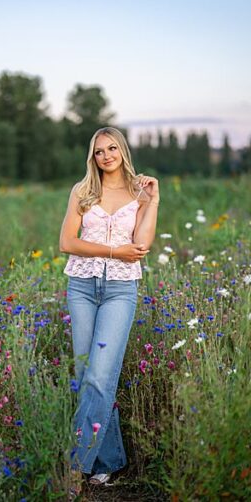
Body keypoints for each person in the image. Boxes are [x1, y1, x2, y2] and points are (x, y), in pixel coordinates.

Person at [58, 126, 159, 494]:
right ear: (93, 156)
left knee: (100, 377)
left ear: (122, 150)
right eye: (99, 151)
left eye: (112, 148)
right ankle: (108, 462)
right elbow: (67, 242)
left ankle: (75, 466)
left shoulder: (139, 192)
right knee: (90, 376)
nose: (106, 156)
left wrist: (154, 201)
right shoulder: (82, 192)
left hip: (120, 290)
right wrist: (113, 251)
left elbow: (142, 244)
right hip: (82, 287)